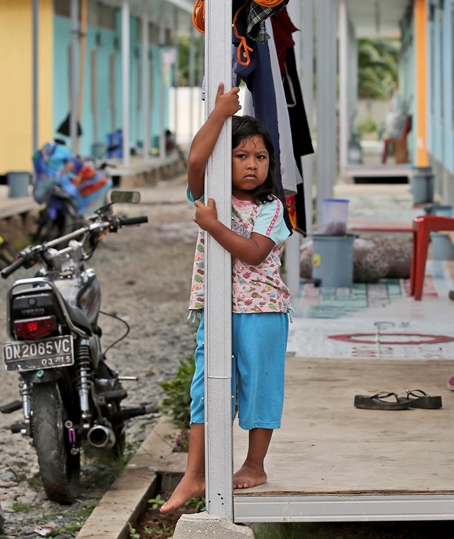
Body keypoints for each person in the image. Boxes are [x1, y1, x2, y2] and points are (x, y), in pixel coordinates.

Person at [161, 83, 292, 513]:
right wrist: (220, 112)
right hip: (216, 309)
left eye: (260, 157)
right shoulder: (211, 193)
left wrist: (213, 227)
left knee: (259, 389)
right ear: (227, 160)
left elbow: (254, 253)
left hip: (263, 312)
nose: (252, 166)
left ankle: (255, 465)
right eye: (241, 156)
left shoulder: (273, 207)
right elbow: (196, 158)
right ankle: (194, 474)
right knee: (205, 389)